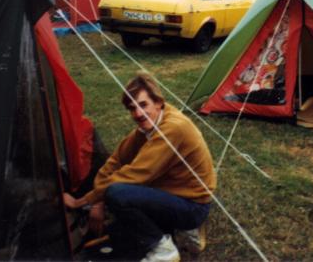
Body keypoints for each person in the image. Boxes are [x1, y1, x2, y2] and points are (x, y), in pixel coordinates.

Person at [64, 72, 216, 262]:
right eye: (132, 108)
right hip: (178, 193)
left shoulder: (173, 128)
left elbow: (136, 174)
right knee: (121, 205)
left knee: (117, 194)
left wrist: (82, 202)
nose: (137, 114)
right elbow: (116, 160)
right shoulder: (150, 125)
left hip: (194, 205)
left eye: (143, 105)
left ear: (158, 102)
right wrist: (97, 202)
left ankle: (164, 250)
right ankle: (181, 230)